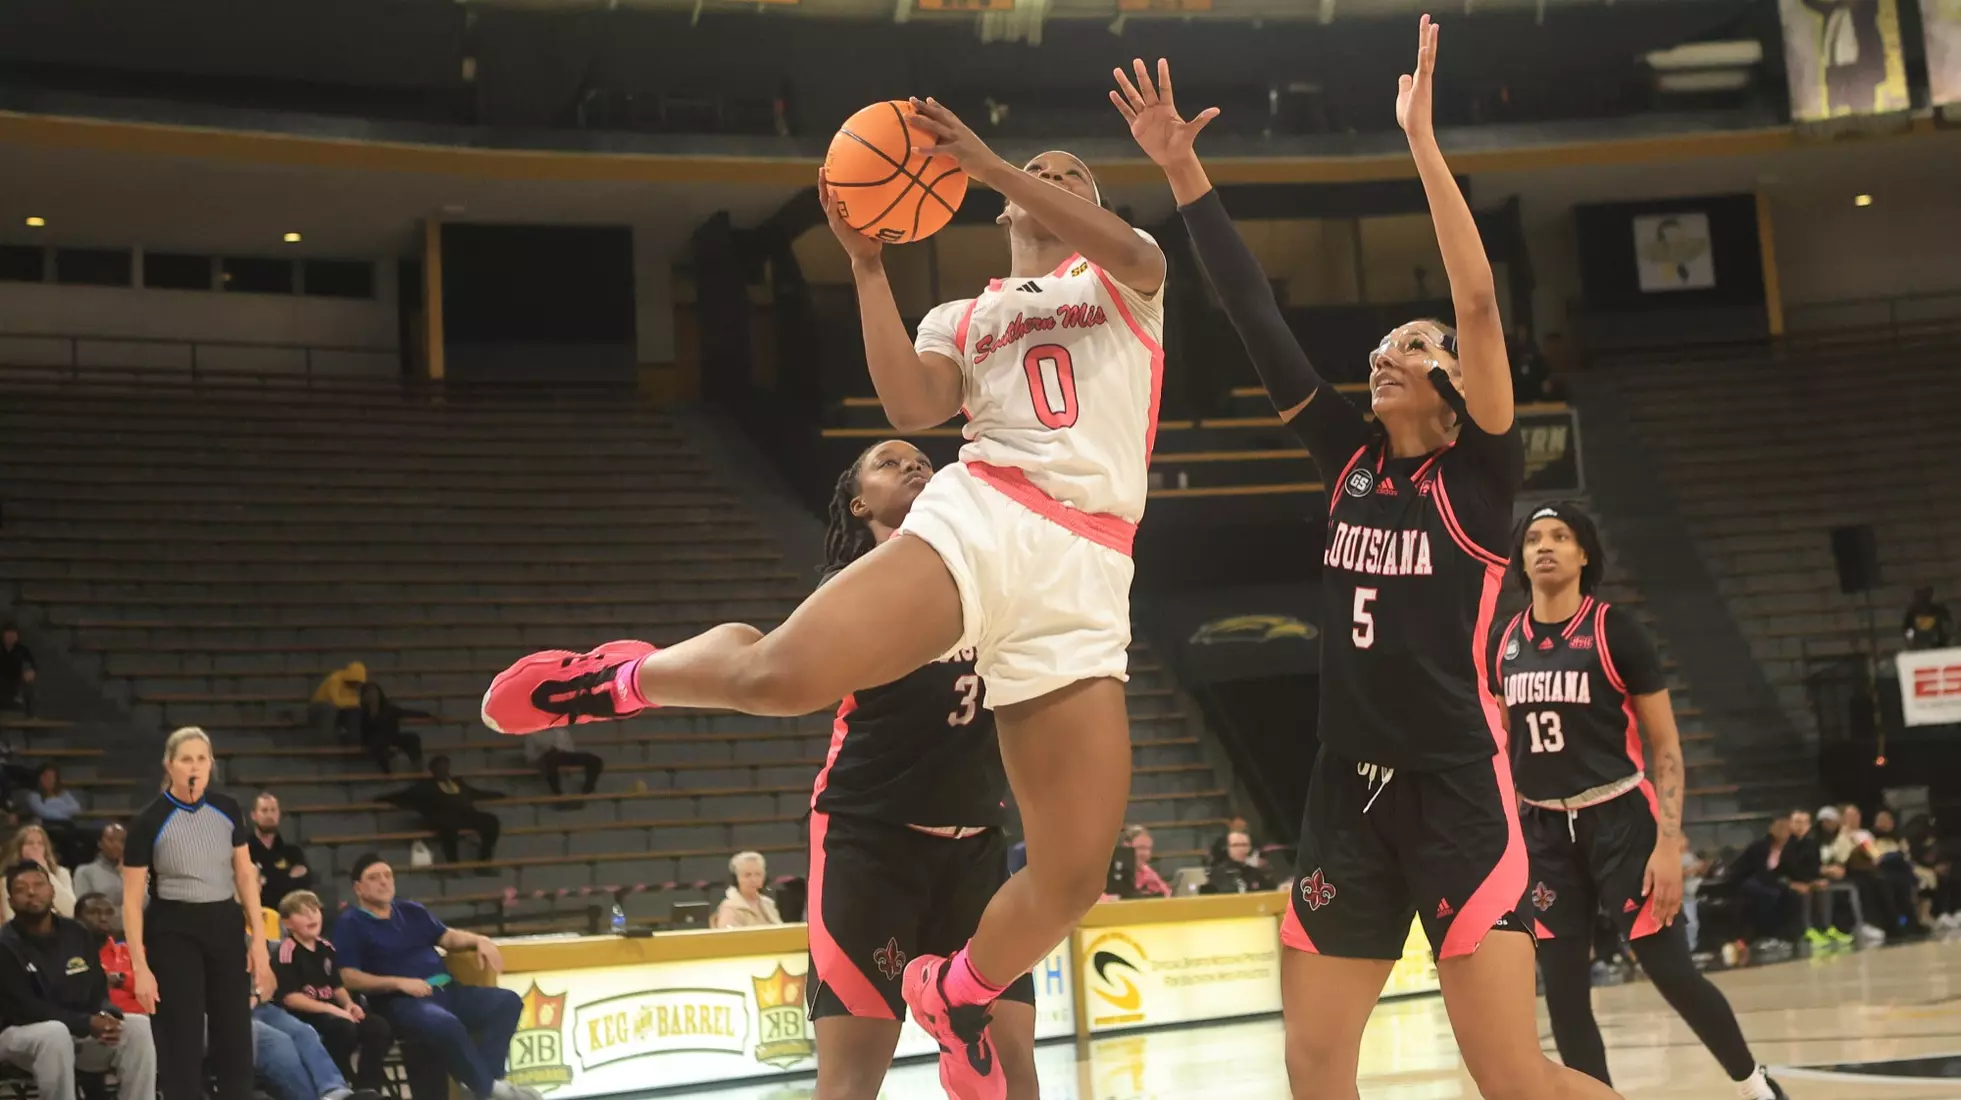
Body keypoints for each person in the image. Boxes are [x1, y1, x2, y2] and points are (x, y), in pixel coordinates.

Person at [484, 89, 1168, 1100]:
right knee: (781, 675)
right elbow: (911, 404)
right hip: (990, 509)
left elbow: (1136, 251)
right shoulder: (961, 314)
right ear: (1001, 217)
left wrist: (989, 164)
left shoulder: (1125, 277)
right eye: (1044, 173)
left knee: (1072, 872)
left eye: (1075, 175)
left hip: (1091, 564)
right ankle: (621, 675)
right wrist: (864, 263)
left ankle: (954, 988)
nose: (1059, 180)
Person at [1114, 40, 1619, 1100]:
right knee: (1311, 1066)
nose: (1384, 352)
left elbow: (1476, 306)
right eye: (1381, 344)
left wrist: (1422, 147)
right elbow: (1255, 318)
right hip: (1345, 787)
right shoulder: (1345, 458)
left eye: (1409, 342)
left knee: (1512, 1076)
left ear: (1451, 379)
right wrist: (1178, 173)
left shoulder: (1479, 478)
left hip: (1457, 794)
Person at [1493, 502, 1786, 1097]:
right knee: (1566, 995)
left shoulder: (1614, 630)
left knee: (1672, 972)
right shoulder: (1505, 641)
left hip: (1620, 820)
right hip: (1544, 832)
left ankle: (1755, 1084)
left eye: (1560, 536)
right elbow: (1505, 745)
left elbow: (1666, 745)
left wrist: (1669, 844)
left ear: (1583, 554)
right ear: (1521, 558)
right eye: (1533, 539)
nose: (1544, 546)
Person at [799, 441, 1039, 1100]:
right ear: (858, 502)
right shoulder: (846, 590)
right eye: (888, 462)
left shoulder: (990, 578)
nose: (912, 466)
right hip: (869, 842)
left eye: (921, 462)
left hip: (975, 848)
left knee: (1014, 1065)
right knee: (853, 1079)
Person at [120, 725, 273, 1100]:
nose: (195, 766)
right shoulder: (148, 821)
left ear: (212, 765)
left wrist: (260, 944)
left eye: (202, 758)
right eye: (186, 759)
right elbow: (131, 901)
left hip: (224, 922)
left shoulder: (228, 809)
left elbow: (244, 876)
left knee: (235, 1036)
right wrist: (139, 966)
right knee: (181, 1040)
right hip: (173, 928)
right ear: (169, 765)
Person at [332, 854, 537, 1100]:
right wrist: (398, 982)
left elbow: (447, 937)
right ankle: (488, 1089)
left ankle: (485, 1082)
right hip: (401, 1002)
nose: (384, 882)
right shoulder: (350, 923)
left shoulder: (411, 910)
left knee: (507, 1002)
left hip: (447, 990)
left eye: (388, 875)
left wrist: (478, 939)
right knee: (443, 1022)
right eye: (374, 878)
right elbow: (348, 976)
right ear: (358, 888)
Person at [0, 862, 156, 1100]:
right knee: (55, 1033)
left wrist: (107, 1013)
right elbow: (24, 1009)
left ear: (52, 891)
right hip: (19, 1037)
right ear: (11, 902)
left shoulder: (77, 933)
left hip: (78, 1031)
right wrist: (86, 1022)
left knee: (137, 1027)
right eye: (21, 889)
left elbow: (97, 987)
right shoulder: (5, 944)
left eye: (39, 885)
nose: (32, 892)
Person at [275, 890, 393, 1091]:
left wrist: (349, 1004)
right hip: (306, 1016)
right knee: (343, 1030)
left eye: (315, 911)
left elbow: (336, 986)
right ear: (287, 923)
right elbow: (291, 998)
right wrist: (333, 1011)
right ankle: (338, 1083)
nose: (311, 916)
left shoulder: (327, 947)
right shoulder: (286, 951)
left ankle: (366, 1086)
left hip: (336, 1012)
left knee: (378, 1027)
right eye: (302, 913)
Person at [379, 757, 503, 866]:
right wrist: (380, 799)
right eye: (439, 768)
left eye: (445, 767)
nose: (443, 770)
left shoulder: (458, 783)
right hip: (443, 818)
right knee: (448, 825)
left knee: (491, 821)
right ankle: (452, 864)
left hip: (466, 815)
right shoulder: (426, 786)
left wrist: (500, 795)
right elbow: (404, 795)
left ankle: (484, 860)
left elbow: (475, 793)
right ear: (433, 771)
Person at [252, 996, 380, 1100]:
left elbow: (269, 982)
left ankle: (335, 1092)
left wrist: (258, 993)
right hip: (235, 1009)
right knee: (278, 1042)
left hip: (261, 1005)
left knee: (305, 1032)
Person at [77, 893, 142, 1016]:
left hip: (139, 1019)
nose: (103, 918)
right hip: (91, 1021)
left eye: (109, 913)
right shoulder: (67, 953)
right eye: (94, 912)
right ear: (77, 918)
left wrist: (121, 980)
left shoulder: (133, 952)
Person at [251, 793, 318, 909]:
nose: (269, 815)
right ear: (253, 815)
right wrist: (289, 876)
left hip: (291, 914)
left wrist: (269, 879)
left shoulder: (293, 852)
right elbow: (254, 892)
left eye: (273, 810)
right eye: (264, 810)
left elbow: (306, 884)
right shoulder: (244, 851)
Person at [0, 824, 76, 920]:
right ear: (19, 849)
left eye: (40, 843)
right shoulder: (7, 879)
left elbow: (71, 911)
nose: (35, 847)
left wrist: (46, 872)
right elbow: (10, 918)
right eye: (29, 843)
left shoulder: (61, 873)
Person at [356, 681, 427, 775]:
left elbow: (406, 712)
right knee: (379, 748)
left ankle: (417, 765)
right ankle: (388, 770)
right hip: (375, 742)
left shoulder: (389, 708)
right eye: (369, 692)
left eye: (374, 692)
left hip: (392, 738)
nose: (372, 695)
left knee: (413, 738)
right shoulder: (361, 712)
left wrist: (427, 715)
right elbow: (364, 732)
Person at [23, 763, 86, 869]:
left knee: (88, 837)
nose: (50, 780)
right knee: (68, 841)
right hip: (47, 826)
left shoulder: (63, 793)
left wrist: (53, 808)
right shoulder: (34, 796)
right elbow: (43, 812)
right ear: (39, 778)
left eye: (53, 777)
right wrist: (63, 810)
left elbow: (76, 808)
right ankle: (74, 867)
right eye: (46, 777)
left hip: (67, 825)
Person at [523, 727, 604, 799]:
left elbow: (570, 750)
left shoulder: (562, 732)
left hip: (564, 756)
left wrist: (569, 765)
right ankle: (557, 792)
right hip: (545, 758)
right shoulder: (532, 735)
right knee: (551, 759)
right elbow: (530, 756)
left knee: (595, 760)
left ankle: (588, 788)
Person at [710, 852, 784, 929]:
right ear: (736, 879)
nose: (753, 879)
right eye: (747, 875)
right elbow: (729, 939)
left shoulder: (768, 904)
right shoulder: (729, 908)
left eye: (758, 874)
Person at [72, 823, 127, 925]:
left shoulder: (137, 872)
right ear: (100, 843)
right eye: (111, 840)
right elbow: (85, 910)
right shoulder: (85, 871)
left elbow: (144, 904)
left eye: (122, 841)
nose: (117, 845)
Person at [310, 662, 368, 741]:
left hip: (338, 710)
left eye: (358, 683)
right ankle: (325, 743)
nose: (356, 685)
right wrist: (357, 701)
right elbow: (336, 702)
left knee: (355, 713)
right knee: (330, 708)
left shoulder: (355, 688)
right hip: (320, 706)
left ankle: (353, 741)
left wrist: (356, 702)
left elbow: (351, 703)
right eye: (354, 682)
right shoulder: (335, 679)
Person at [1207, 830, 1276, 894]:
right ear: (1227, 848)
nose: (1241, 849)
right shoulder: (1217, 874)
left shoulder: (1256, 873)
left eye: (1244, 845)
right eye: (1235, 845)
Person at [1121, 825, 1172, 899]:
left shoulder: (1147, 871)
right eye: (1141, 848)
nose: (1146, 854)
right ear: (1126, 847)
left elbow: (1167, 894)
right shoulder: (1110, 870)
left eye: (1149, 849)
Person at [0, 623, 36, 717]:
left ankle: (29, 714)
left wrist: (30, 672)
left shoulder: (23, 650)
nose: (10, 637)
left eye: (13, 634)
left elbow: (30, 665)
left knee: (28, 683)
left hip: (17, 681)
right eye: (8, 634)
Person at [1903, 587, 1954, 651]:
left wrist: (1942, 641)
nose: (1923, 597)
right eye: (1921, 594)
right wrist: (1912, 643)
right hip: (1919, 648)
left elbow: (1947, 627)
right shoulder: (1912, 613)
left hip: (1937, 647)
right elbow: (1907, 631)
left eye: (1926, 593)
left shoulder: (1938, 611)